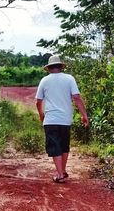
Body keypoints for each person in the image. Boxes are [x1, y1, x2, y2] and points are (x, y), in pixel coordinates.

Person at [35, 55, 89, 183]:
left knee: (55, 147)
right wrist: (84, 115)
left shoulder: (44, 81)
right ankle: (63, 171)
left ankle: (59, 174)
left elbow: (38, 101)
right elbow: (76, 97)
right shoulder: (69, 79)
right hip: (65, 119)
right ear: (60, 66)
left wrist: (41, 115)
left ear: (48, 68)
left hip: (51, 119)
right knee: (64, 146)